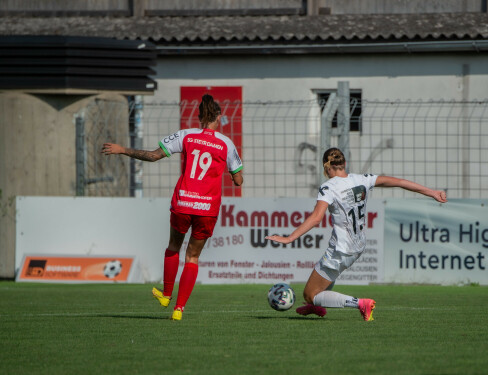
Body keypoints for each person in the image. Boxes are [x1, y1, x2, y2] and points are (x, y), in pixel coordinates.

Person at [102, 94, 243, 321]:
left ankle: (166, 294)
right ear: (218, 117)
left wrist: (123, 150)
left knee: (173, 247)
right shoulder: (226, 144)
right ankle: (178, 309)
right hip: (206, 208)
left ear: (199, 118)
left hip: (183, 203)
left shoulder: (185, 135)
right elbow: (238, 181)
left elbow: (153, 155)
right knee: (193, 257)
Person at [266, 147, 447, 321]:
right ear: (345, 163)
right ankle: (316, 306)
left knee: (309, 293)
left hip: (340, 249)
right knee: (322, 283)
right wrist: (431, 192)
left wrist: (289, 238)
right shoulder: (362, 179)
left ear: (326, 167)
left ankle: (360, 303)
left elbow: (315, 218)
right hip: (358, 246)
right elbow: (398, 182)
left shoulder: (329, 187)